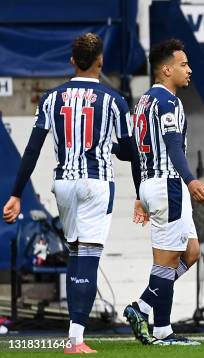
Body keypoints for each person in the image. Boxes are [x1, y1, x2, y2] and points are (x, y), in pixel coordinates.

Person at [2, 33, 141, 354]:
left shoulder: (51, 98)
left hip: (63, 184)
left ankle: (75, 335)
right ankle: (76, 339)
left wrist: (16, 193)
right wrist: (138, 193)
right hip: (95, 183)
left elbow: (32, 149)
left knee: (76, 252)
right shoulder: (114, 100)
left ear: (71, 61)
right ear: (101, 61)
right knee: (88, 257)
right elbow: (129, 151)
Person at [121, 39, 204, 346]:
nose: (189, 70)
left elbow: (132, 152)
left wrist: (138, 194)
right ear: (166, 69)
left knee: (191, 252)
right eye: (183, 64)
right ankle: (151, 319)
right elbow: (173, 146)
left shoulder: (143, 102)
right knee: (167, 262)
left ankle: (151, 315)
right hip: (168, 185)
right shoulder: (168, 102)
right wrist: (190, 180)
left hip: (152, 184)